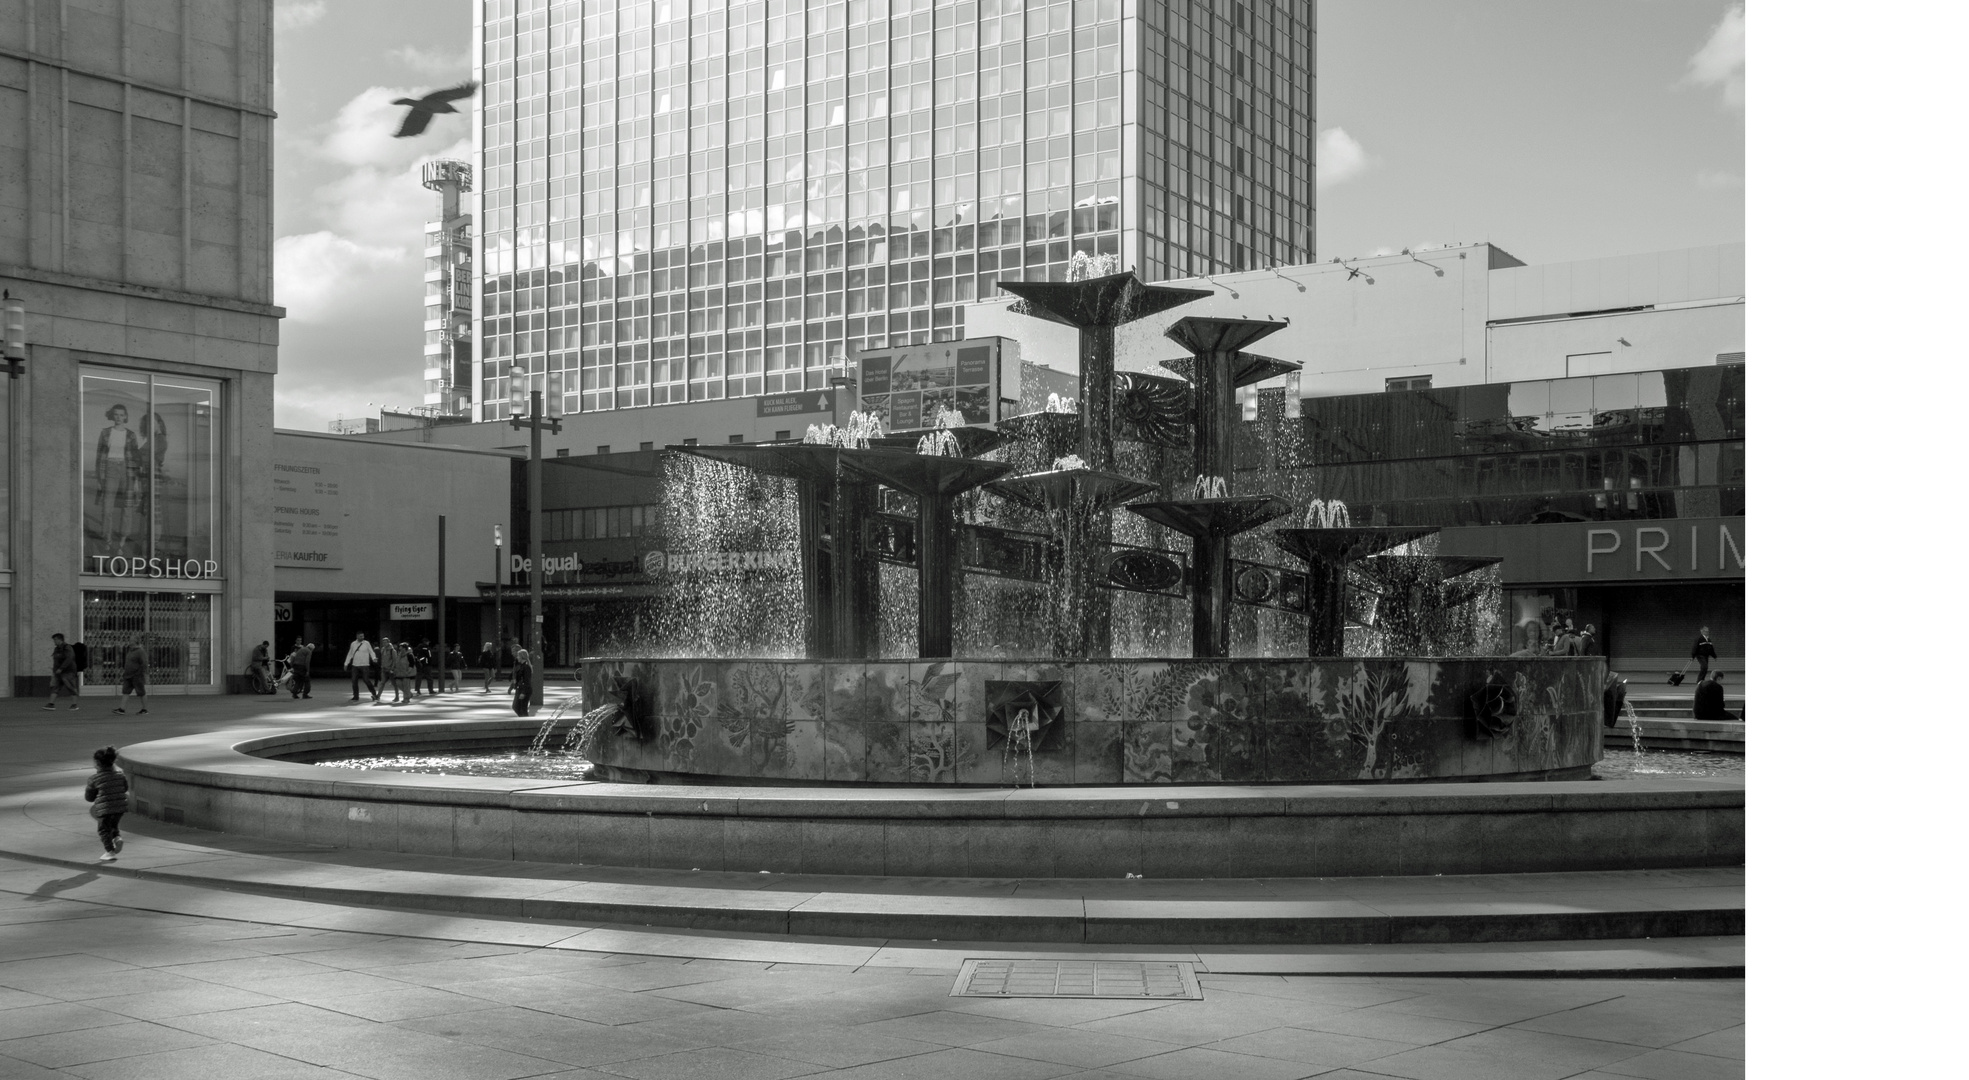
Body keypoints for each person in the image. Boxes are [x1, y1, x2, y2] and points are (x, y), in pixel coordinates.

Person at [84, 746, 129, 862]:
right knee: (113, 826)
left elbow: (89, 797)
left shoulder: (94, 779)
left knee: (104, 830)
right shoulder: (120, 775)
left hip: (104, 809)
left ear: (97, 763)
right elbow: (125, 788)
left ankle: (110, 852)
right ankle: (117, 838)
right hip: (120, 806)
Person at [44, 633, 81, 711]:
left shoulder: (67, 648)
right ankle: (51, 704)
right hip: (59, 672)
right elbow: (56, 661)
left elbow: (69, 659)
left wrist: (61, 668)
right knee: (55, 687)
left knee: (71, 687)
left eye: (55, 639)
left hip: (68, 672)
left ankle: (74, 705)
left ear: (60, 639)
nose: (54, 641)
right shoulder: (56, 649)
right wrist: (54, 671)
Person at [114, 638, 148, 715]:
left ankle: (144, 709)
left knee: (141, 692)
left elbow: (144, 663)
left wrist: (139, 673)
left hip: (136, 675)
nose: (129, 643)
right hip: (128, 675)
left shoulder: (140, 652)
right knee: (125, 691)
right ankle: (122, 709)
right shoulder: (130, 651)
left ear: (136, 643)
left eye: (131, 642)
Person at [344, 633, 378, 701]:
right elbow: (350, 654)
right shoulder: (353, 644)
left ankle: (374, 693)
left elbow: (371, 651)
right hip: (355, 665)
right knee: (354, 681)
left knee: (366, 680)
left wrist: (374, 658)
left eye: (363, 636)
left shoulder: (366, 643)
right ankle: (356, 696)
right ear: (357, 636)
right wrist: (346, 663)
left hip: (365, 664)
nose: (362, 637)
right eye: (360, 636)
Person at [511, 647, 533, 717]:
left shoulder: (526, 667)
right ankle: (523, 720)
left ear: (521, 657)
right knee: (516, 707)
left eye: (518, 656)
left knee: (522, 708)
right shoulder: (521, 666)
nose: (517, 657)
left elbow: (527, 681)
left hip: (524, 689)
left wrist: (523, 692)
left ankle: (526, 722)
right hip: (519, 688)